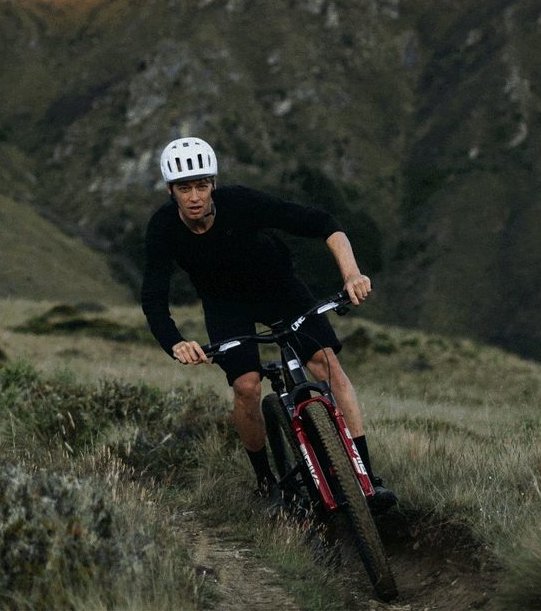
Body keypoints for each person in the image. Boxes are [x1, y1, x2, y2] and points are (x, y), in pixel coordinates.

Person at [141, 137, 396, 510]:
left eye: (201, 185)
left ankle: (366, 477)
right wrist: (175, 342)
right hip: (225, 305)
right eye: (184, 188)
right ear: (170, 191)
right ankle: (266, 483)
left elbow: (323, 223)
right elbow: (153, 299)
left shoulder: (242, 202)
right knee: (246, 387)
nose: (194, 196)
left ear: (213, 184)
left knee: (325, 364)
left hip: (280, 288)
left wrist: (352, 274)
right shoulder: (163, 228)